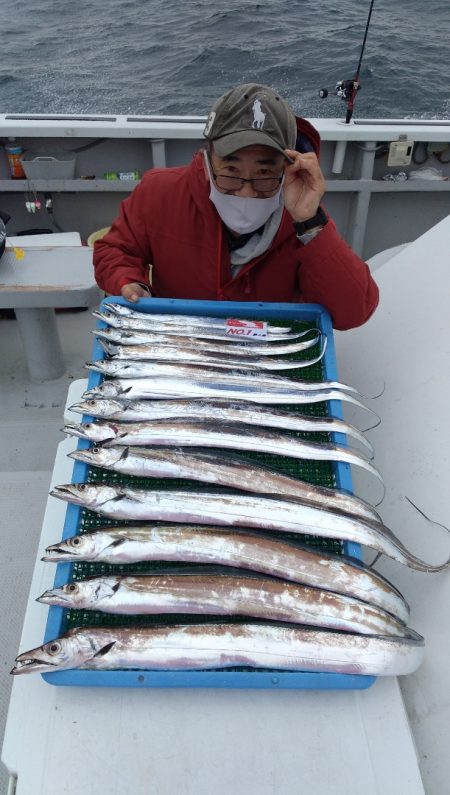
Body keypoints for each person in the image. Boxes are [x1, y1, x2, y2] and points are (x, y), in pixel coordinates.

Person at [93, 83, 379, 330]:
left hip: (265, 348)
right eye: (230, 171)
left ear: (288, 168)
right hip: (179, 339)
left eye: (264, 174)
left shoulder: (304, 217)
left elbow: (354, 312)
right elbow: (116, 249)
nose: (246, 190)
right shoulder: (160, 192)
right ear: (207, 161)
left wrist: (311, 224)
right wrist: (129, 282)